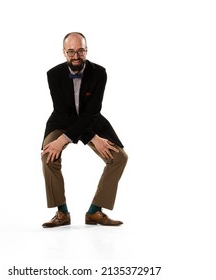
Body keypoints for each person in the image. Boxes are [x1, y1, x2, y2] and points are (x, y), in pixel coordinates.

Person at [41, 32, 128, 228]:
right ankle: (62, 213)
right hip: (62, 122)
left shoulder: (99, 72)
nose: (76, 56)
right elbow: (63, 112)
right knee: (48, 154)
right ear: (64, 52)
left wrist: (94, 136)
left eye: (80, 50)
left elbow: (93, 111)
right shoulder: (53, 75)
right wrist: (70, 139)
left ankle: (94, 212)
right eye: (71, 51)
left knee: (120, 158)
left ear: (86, 50)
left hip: (92, 121)